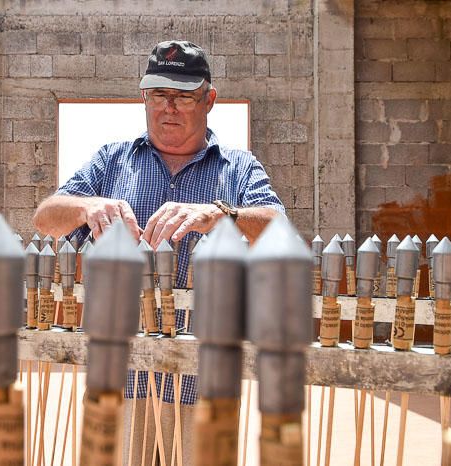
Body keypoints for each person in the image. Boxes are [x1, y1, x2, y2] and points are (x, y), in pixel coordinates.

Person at [33, 40, 284, 465]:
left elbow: (279, 229)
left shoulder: (238, 167)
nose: (168, 108)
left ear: (210, 100)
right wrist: (87, 205)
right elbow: (45, 218)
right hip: (123, 377)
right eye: (157, 95)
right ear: (143, 97)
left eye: (183, 96)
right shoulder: (113, 161)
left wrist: (222, 213)